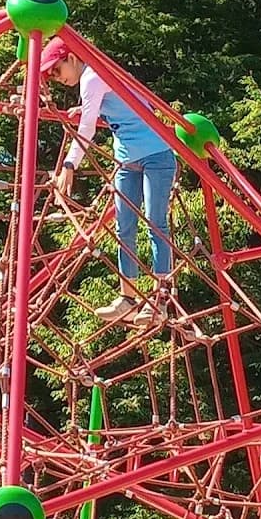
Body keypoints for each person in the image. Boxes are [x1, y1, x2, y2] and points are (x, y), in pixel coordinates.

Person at [40, 36, 177, 327]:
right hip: (127, 159)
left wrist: (69, 165)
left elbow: (88, 128)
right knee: (124, 226)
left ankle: (160, 300)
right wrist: (90, 108)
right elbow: (121, 100)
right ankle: (128, 299)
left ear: (72, 58)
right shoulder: (97, 76)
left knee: (155, 222)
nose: (57, 78)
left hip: (157, 155)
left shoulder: (92, 77)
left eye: (57, 70)